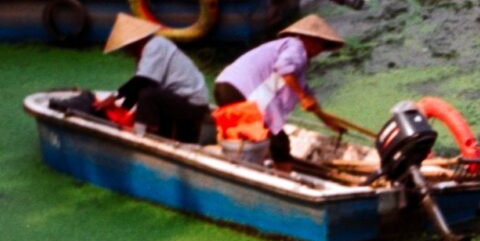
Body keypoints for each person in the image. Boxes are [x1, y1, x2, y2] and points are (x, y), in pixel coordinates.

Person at [212, 14, 347, 162]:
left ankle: (252, 159)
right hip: (239, 90)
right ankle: (282, 174)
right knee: (278, 141)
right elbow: (284, 69)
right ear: (310, 39)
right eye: (321, 45)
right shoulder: (296, 47)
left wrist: (327, 121)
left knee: (260, 136)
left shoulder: (294, 58)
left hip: (225, 87)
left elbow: (308, 98)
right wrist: (302, 97)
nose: (320, 50)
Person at [95, 14, 212, 143]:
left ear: (134, 41)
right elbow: (137, 88)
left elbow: (144, 81)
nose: (126, 50)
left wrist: (114, 96)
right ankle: (150, 131)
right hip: (178, 101)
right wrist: (123, 111)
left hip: (192, 104)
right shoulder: (147, 54)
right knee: (146, 95)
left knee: (148, 95)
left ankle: (138, 135)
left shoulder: (156, 45)